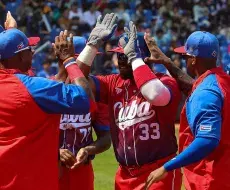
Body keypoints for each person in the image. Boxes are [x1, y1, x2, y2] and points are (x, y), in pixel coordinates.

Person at [76, 15, 182, 189]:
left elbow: (156, 95)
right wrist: (92, 45)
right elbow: (77, 79)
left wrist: (134, 58)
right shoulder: (113, 82)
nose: (121, 61)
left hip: (159, 171)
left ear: (143, 57)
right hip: (124, 175)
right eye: (120, 56)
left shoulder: (165, 81)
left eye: (126, 55)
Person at [0, 28, 95, 190]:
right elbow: (84, 99)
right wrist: (68, 60)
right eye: (29, 50)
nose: (33, 53)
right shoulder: (33, 87)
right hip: (28, 181)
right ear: (21, 56)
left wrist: (10, 33)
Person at [144, 31, 230, 190]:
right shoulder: (222, 81)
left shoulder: (206, 92)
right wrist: (167, 62)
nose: (185, 60)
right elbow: (199, 88)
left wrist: (167, 167)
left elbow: (207, 140)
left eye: (186, 56)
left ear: (193, 60)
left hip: (209, 179)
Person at [57, 36, 111, 190]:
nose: (90, 63)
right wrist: (56, 151)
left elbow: (105, 138)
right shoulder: (48, 87)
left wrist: (89, 149)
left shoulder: (97, 92)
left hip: (81, 171)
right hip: (51, 168)